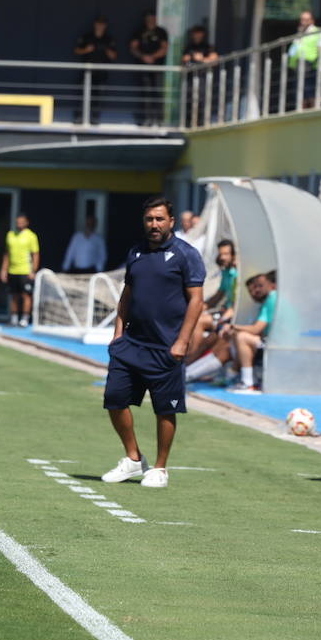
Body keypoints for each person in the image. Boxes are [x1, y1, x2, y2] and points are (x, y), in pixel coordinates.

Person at [100, 197, 205, 488]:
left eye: (160, 219)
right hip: (130, 345)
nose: (154, 225)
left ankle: (160, 468)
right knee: (115, 399)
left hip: (167, 347)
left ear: (171, 222)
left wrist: (182, 341)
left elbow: (196, 301)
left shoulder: (187, 255)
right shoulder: (135, 253)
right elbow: (127, 297)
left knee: (165, 409)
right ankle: (133, 459)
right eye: (149, 219)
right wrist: (117, 334)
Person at [213, 272, 276, 393]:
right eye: (253, 288)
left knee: (241, 337)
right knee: (236, 336)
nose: (256, 290)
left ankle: (246, 382)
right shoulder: (270, 299)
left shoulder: (272, 297)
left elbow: (256, 329)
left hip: (278, 344)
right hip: (272, 341)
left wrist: (232, 326)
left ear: (272, 285)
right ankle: (232, 376)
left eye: (260, 286)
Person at [184, 238, 238, 370]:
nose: (222, 257)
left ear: (233, 255)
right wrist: (201, 306)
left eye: (226, 254)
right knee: (194, 316)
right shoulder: (226, 272)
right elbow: (219, 295)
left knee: (198, 321)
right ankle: (190, 357)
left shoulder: (237, 274)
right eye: (221, 254)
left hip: (231, 314)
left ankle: (191, 358)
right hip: (225, 311)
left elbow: (236, 303)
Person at [73, 16, 117, 124]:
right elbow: (77, 51)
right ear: (95, 24)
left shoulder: (108, 39)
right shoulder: (87, 37)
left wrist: (106, 50)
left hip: (102, 70)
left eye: (102, 24)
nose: (100, 26)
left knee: (99, 94)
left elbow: (114, 56)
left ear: (105, 26)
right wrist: (86, 50)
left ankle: (94, 118)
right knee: (83, 94)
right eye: (98, 23)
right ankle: (79, 117)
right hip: (88, 70)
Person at [129, 12, 169, 126]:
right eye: (148, 18)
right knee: (146, 92)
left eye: (152, 18)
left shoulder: (161, 32)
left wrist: (153, 57)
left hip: (158, 68)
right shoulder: (139, 31)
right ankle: (147, 119)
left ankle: (160, 119)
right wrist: (143, 57)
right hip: (143, 67)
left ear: (156, 19)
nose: (150, 20)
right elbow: (133, 47)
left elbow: (164, 48)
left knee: (158, 92)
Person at [1, 213, 40, 327]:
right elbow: (7, 254)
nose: (19, 224)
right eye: (18, 221)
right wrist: (4, 269)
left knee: (26, 295)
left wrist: (33, 270)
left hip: (25, 271)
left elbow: (35, 255)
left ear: (27, 223)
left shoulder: (31, 236)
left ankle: (25, 318)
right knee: (14, 295)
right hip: (13, 271)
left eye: (22, 221)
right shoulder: (10, 235)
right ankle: (14, 318)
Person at [180, 24, 216, 125]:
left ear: (203, 34)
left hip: (203, 79)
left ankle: (201, 123)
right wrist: (186, 60)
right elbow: (183, 61)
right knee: (189, 102)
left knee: (202, 102)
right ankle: (188, 123)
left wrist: (201, 59)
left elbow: (215, 59)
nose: (196, 36)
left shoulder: (207, 47)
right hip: (190, 79)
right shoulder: (189, 47)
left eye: (198, 34)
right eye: (195, 34)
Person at [286, 10, 320, 108]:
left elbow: (316, 47)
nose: (303, 22)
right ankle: (301, 110)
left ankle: (312, 111)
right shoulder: (300, 32)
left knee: (308, 89)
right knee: (300, 90)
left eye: (306, 19)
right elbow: (295, 49)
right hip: (297, 63)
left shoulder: (315, 31)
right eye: (302, 19)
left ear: (312, 21)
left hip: (308, 62)